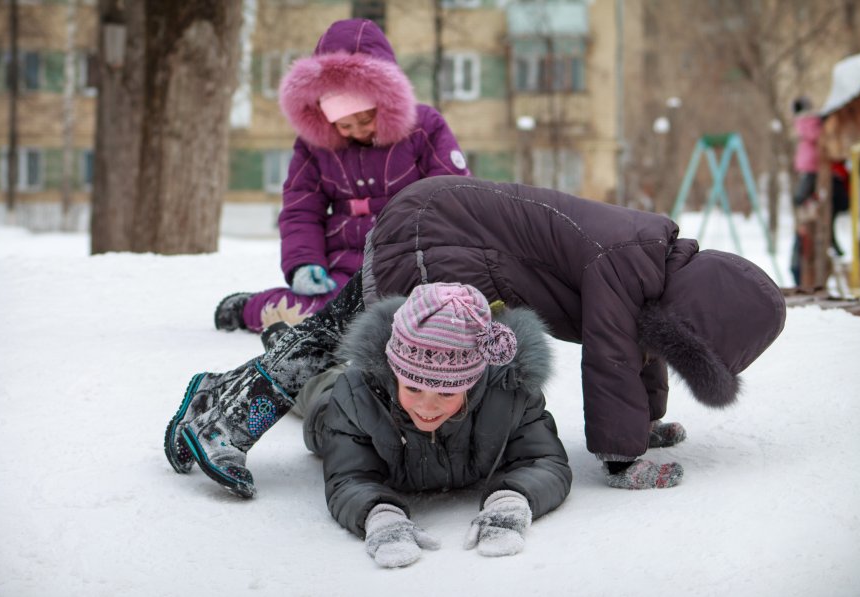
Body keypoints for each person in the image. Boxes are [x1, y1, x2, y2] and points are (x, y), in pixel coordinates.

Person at [165, 176, 786, 499]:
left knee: (333, 328)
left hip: (438, 220)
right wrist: (622, 459)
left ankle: (219, 402)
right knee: (365, 346)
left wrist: (645, 425)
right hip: (437, 235)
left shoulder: (649, 264)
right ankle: (230, 418)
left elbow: (637, 347)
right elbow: (613, 356)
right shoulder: (628, 258)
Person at [214, 19, 470, 334]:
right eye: (344, 126)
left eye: (365, 119)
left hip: (413, 261)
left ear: (385, 104)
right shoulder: (315, 146)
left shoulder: (425, 128)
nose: (357, 132)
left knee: (434, 318)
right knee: (332, 314)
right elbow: (301, 208)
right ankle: (252, 308)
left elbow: (454, 197)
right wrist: (304, 263)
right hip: (345, 268)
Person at [291, 282, 569, 567]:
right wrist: (379, 515)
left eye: (447, 392)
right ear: (395, 374)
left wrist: (513, 499)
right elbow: (349, 477)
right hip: (330, 408)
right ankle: (282, 336)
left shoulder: (511, 394)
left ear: (472, 383)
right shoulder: (357, 396)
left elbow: (545, 460)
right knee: (312, 388)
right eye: (413, 388)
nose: (427, 406)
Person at [789, 96, 822, 285]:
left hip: (809, 167)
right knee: (801, 198)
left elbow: (813, 137)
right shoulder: (808, 123)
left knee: (801, 197)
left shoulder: (807, 123)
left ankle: (807, 203)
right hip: (807, 166)